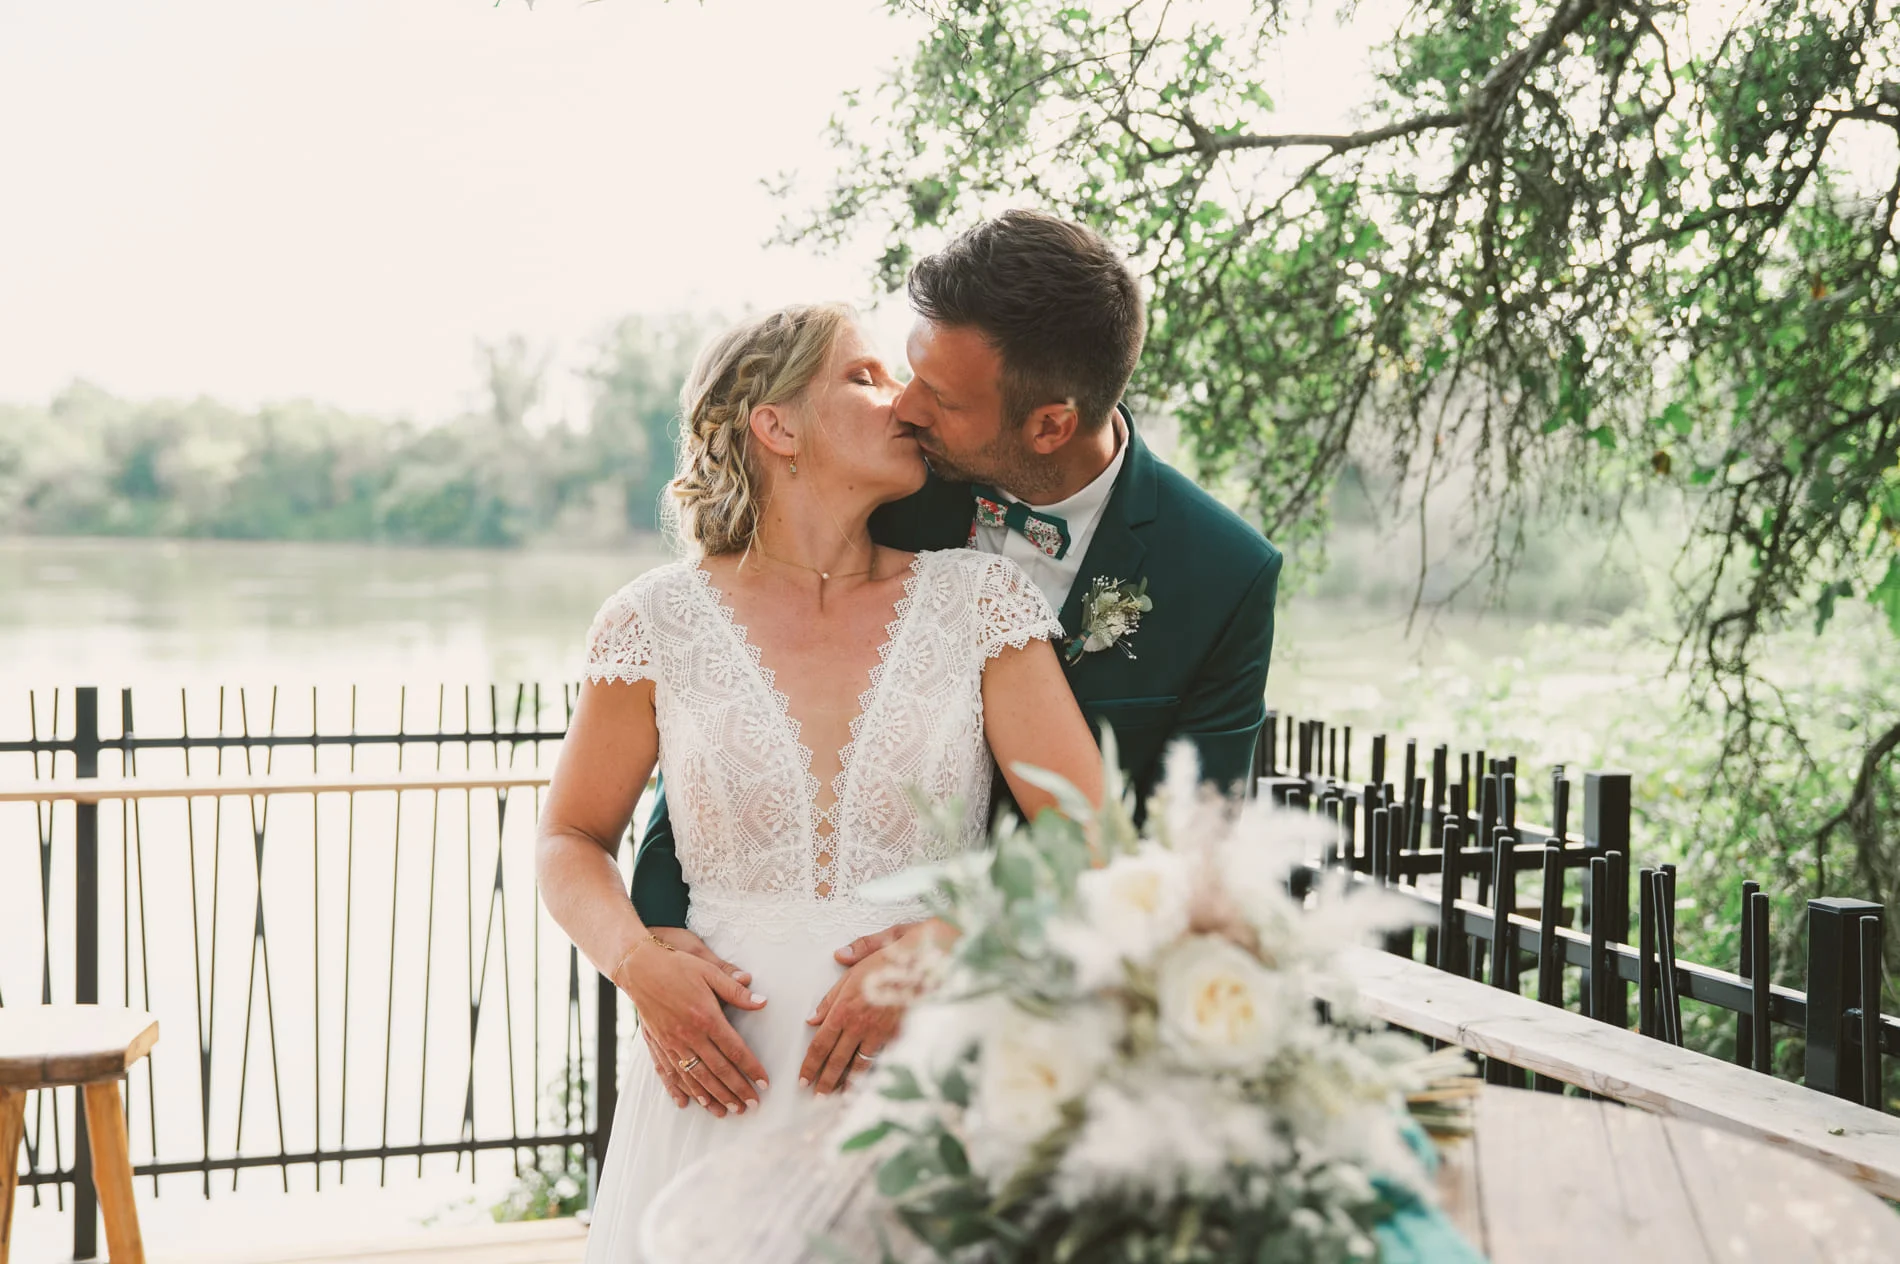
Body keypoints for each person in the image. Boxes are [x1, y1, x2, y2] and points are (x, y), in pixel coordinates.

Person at [631, 211, 1284, 1111]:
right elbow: (731, 724)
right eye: (903, 371)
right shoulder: (887, 483)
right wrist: (659, 944)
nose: (905, 405)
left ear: (1049, 423)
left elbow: (1176, 852)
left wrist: (970, 934)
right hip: (789, 1018)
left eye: (939, 396)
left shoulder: (1222, 574)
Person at [535, 301, 1105, 1262]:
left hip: (930, 1065)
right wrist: (636, 964)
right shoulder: (653, 621)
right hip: (718, 1078)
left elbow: (1089, 834)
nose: (907, 404)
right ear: (778, 425)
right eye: (867, 377)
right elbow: (569, 839)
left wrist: (953, 939)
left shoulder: (980, 602)